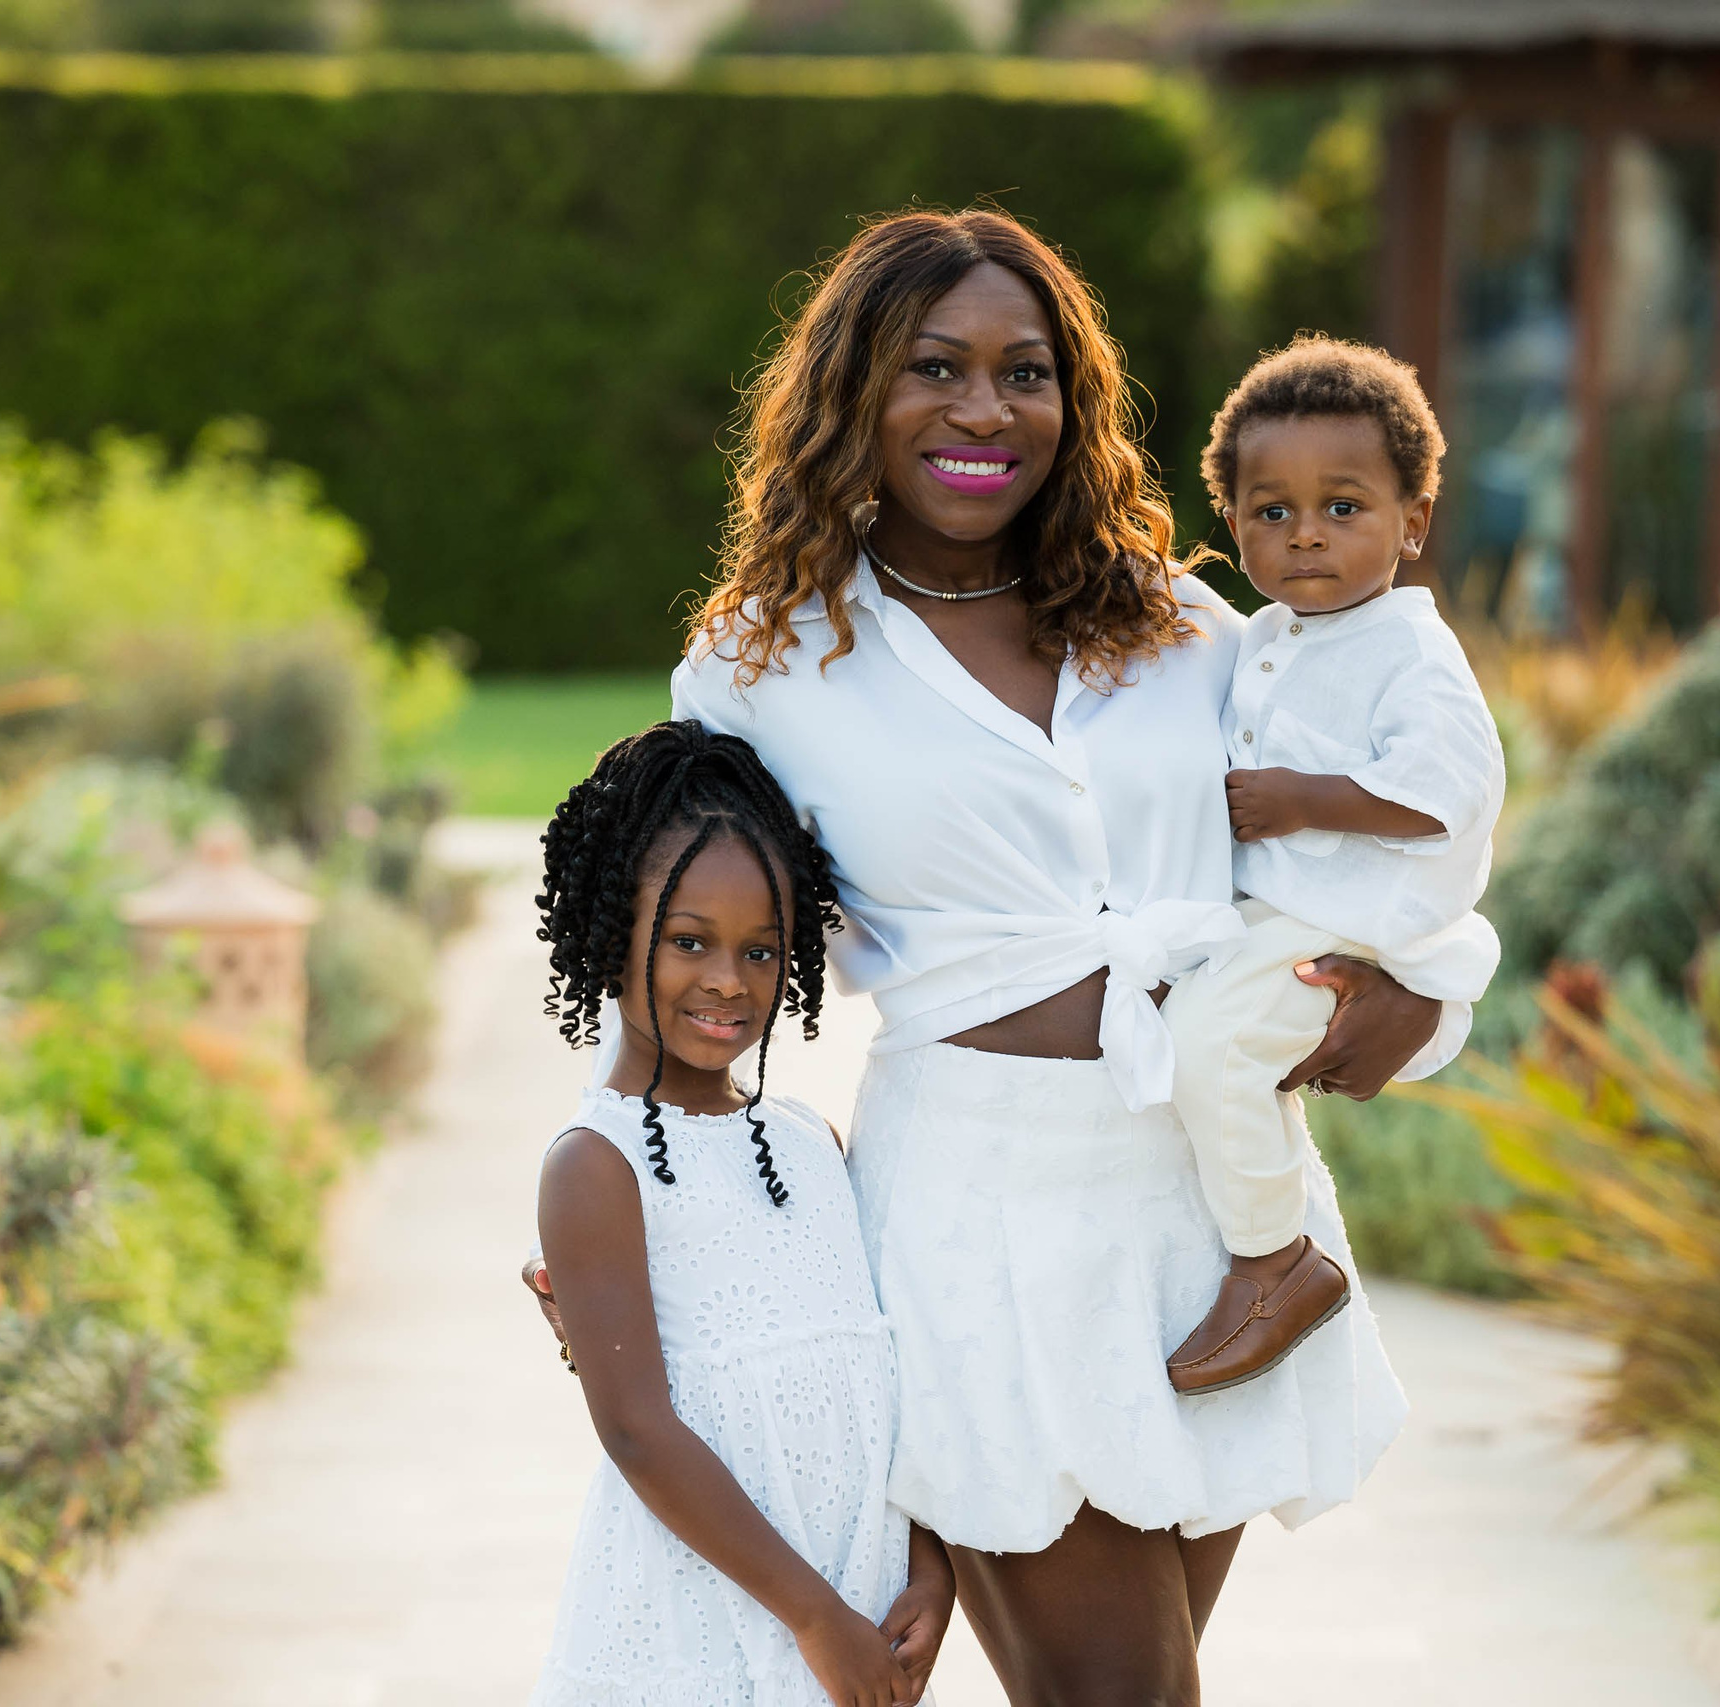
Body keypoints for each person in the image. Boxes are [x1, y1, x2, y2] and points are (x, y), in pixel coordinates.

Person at [532, 207, 1468, 1704]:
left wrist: (1423, 998)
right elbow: (672, 916)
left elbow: (1374, 837)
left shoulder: (1185, 623)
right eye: (934, 367)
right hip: (986, 1222)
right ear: (853, 393)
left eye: (1025, 371)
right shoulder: (764, 661)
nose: (983, 408)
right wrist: (612, 1168)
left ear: (1073, 399)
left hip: (1226, 1216)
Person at [528, 720, 955, 1707]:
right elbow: (638, 1430)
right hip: (693, 1634)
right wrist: (812, 1619)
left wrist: (933, 1566)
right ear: (606, 938)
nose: (728, 979)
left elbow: (885, 1383)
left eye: (761, 951)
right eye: (688, 942)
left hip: (852, 1612)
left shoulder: (813, 1146)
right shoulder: (596, 1166)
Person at [1158, 337, 1506, 1396]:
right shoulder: (1273, 634)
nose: (1306, 533)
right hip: (1287, 913)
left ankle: (1274, 1266)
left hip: (1352, 924)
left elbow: (1446, 793)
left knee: (1212, 1049)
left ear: (1413, 521)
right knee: (1197, 1034)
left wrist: (1305, 800)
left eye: (1342, 507)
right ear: (1232, 524)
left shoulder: (1407, 653)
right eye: (1272, 512)